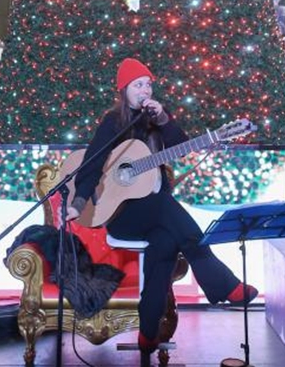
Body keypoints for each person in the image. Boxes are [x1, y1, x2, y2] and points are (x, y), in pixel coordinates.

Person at [65, 58, 256, 357]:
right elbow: (91, 164)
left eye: (148, 84)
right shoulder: (113, 122)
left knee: (165, 244)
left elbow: (181, 144)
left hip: (156, 212)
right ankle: (223, 283)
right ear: (124, 90)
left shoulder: (158, 120)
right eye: (138, 85)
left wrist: (164, 120)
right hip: (122, 215)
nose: (145, 90)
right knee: (167, 207)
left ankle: (148, 331)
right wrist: (79, 202)